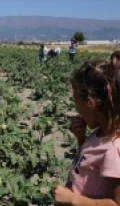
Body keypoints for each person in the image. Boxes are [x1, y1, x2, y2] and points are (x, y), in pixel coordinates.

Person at [53, 51, 120, 205]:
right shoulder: (101, 134)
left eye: (76, 99)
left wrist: (72, 199)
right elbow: (90, 165)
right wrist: (81, 139)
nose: (75, 106)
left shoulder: (113, 150)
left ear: (90, 102)